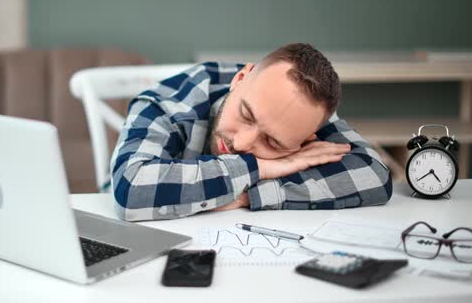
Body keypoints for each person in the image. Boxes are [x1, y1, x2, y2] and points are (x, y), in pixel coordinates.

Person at [109, 43, 391, 221]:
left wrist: (244, 197)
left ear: (306, 140)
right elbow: (130, 189)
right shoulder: (169, 102)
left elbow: (374, 175)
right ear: (240, 79)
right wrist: (262, 167)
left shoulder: (304, 114)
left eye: (272, 141)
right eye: (245, 114)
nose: (241, 143)